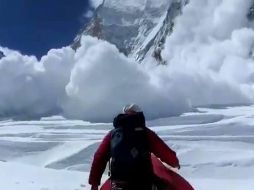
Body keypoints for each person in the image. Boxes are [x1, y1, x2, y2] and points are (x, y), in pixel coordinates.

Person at [89, 104, 180, 190]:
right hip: (143, 182)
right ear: (139, 115)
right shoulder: (146, 133)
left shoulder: (112, 134)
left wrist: (94, 183)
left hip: (119, 183)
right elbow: (163, 151)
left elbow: (99, 157)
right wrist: (175, 162)